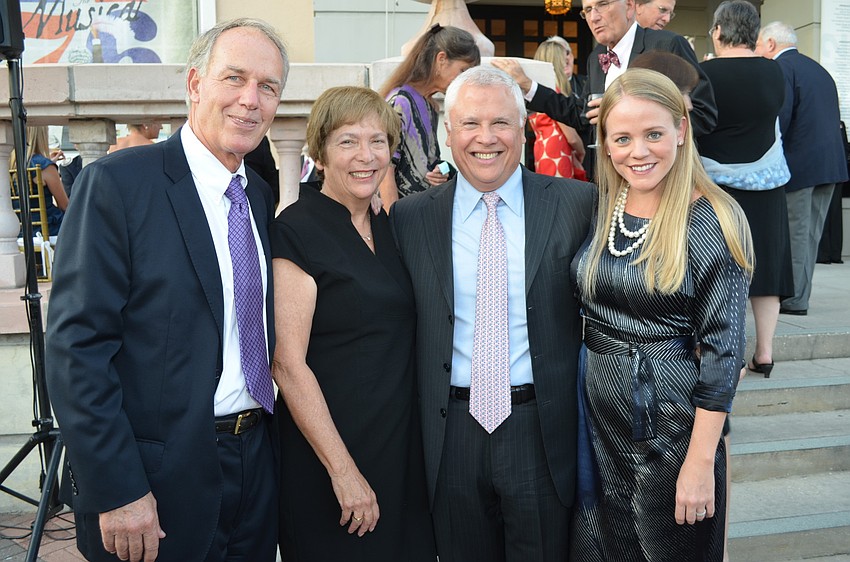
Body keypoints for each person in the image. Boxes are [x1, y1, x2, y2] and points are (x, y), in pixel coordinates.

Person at [45, 18, 287, 562]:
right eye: (234, 78)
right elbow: (77, 350)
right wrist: (118, 488)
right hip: (154, 484)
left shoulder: (257, 196)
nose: (251, 100)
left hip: (255, 466)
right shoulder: (119, 185)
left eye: (268, 87)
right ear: (195, 83)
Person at [391, 65, 596, 561]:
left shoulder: (577, 204)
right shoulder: (410, 218)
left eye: (501, 122)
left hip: (539, 432)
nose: (486, 138)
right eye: (470, 123)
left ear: (523, 129)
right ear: (448, 132)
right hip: (450, 435)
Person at [571, 67, 753, 560]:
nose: (639, 151)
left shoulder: (713, 218)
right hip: (596, 422)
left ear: (681, 130)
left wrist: (700, 463)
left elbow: (724, 355)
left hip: (669, 428)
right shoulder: (604, 204)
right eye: (622, 138)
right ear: (606, 144)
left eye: (653, 134)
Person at [270, 86, 436, 561]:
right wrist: (343, 472)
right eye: (348, 141)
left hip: (398, 452)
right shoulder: (297, 229)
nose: (366, 156)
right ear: (319, 154)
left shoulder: (389, 225)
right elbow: (287, 365)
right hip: (330, 457)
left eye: (377, 141)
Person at [492, 0, 716, 181]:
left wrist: (630, 117)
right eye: (588, 10)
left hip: (660, 180)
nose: (594, 17)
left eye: (603, 5)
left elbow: (703, 113)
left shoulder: (667, 45)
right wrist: (529, 86)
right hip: (605, 181)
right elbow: (582, 115)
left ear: (629, 6)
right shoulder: (596, 57)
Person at [698, 0, 792, 379]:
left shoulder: (704, 74)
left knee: (721, 270)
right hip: (766, 185)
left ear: (719, 31)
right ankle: (764, 353)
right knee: (766, 267)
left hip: (716, 188)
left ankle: (730, 353)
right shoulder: (774, 72)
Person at [755, 21, 849, 316]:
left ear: (771, 43)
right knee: (810, 237)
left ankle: (794, 300)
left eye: (758, 45)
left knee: (795, 235)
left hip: (800, 167)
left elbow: (779, 119)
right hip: (829, 166)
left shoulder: (781, 68)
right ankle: (800, 296)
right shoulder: (820, 70)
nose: (757, 51)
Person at [378, 24, 480, 211]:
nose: (465, 81)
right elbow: (384, 170)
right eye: (463, 71)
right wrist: (393, 221)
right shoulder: (401, 101)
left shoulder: (431, 105)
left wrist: (443, 171)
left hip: (423, 212)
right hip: (403, 215)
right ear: (441, 59)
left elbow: (432, 162)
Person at [528, 38, 587, 179]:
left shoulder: (536, 92)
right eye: (563, 56)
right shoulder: (553, 93)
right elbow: (572, 137)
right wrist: (581, 151)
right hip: (558, 151)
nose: (566, 59)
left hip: (542, 150)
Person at [11, 126, 69, 236]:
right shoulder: (45, 167)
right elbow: (65, 206)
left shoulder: (9, 164)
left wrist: (50, 162)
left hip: (17, 229)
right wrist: (49, 165)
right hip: (47, 230)